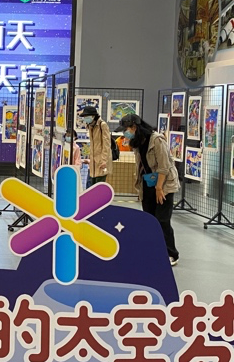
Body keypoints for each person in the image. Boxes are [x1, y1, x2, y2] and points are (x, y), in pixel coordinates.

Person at [120, 113, 181, 266]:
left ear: (134, 127)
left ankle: (171, 253)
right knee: (149, 220)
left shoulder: (157, 140)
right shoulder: (137, 142)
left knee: (162, 220)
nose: (125, 133)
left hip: (164, 185)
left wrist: (159, 188)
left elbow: (164, 167)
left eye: (126, 129)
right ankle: (154, 250)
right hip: (148, 184)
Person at [77, 105, 113, 188]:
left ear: (93, 116)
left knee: (99, 185)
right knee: (92, 186)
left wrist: (104, 160)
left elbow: (106, 144)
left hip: (101, 161)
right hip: (93, 161)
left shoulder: (102, 125)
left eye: (86, 116)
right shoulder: (90, 126)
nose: (85, 118)